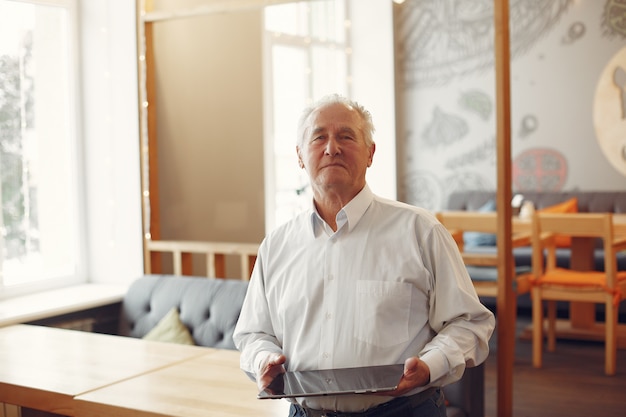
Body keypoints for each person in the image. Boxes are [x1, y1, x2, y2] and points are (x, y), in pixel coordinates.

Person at [233, 94, 495, 417]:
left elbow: (469, 322)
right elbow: (253, 333)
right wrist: (264, 359)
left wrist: (429, 366)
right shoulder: (275, 246)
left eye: (346, 136)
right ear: (300, 156)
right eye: (319, 138)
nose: (332, 148)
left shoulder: (421, 230)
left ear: (371, 153)